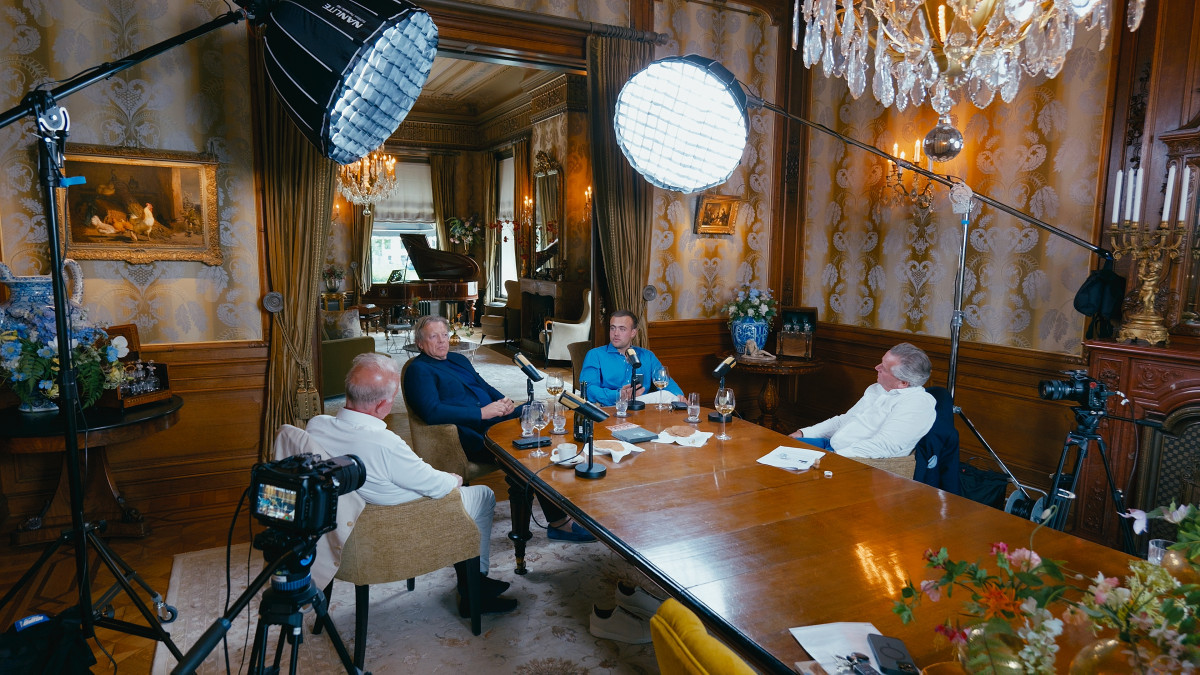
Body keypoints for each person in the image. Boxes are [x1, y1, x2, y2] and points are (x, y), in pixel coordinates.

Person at [306, 353, 517, 616]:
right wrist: (454, 478)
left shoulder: (316, 426)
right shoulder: (385, 444)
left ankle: (472, 581)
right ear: (383, 404)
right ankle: (475, 586)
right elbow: (438, 486)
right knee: (482, 495)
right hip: (400, 526)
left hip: (345, 529)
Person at [403, 315, 595, 543]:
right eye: (434, 336)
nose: (442, 341)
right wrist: (482, 413)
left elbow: (483, 385)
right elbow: (432, 412)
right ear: (420, 343)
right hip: (468, 432)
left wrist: (504, 402)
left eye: (444, 335)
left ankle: (572, 499)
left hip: (492, 418)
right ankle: (558, 523)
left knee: (539, 415)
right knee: (527, 456)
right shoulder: (418, 369)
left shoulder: (458, 359)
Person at [790, 342, 936, 458]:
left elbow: (884, 446)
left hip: (853, 459)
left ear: (903, 383)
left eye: (884, 368)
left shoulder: (917, 404)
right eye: (881, 362)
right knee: (781, 444)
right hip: (831, 446)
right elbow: (844, 420)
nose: (876, 367)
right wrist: (804, 433)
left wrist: (835, 457)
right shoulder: (877, 389)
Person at [578, 310, 683, 406]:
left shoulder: (647, 356)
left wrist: (679, 395)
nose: (616, 333)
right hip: (611, 408)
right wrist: (619, 395)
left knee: (669, 397)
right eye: (612, 328)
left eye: (622, 329)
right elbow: (588, 389)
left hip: (641, 409)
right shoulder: (595, 355)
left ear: (633, 332)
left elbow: (665, 381)